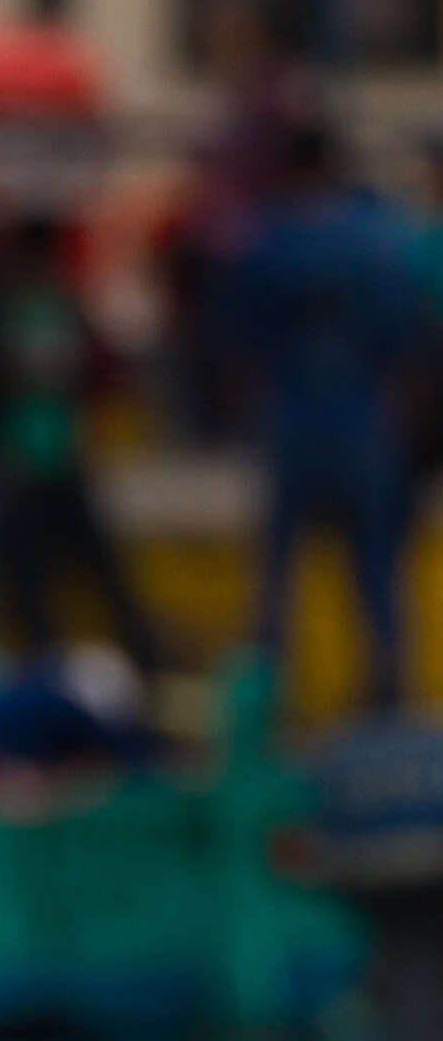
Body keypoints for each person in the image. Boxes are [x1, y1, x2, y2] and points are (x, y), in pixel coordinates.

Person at [229, 123, 420, 709]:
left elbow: (236, 336)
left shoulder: (270, 240)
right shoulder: (376, 239)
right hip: (362, 421)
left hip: (295, 421)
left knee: (278, 571)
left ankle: (266, 701)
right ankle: (386, 691)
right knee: (374, 567)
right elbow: (409, 337)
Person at [0, 213, 158, 675]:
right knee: (99, 575)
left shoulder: (2, 310)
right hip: (58, 457)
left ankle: (48, 670)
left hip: (23, 462)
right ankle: (141, 658)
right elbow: (103, 375)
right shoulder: (63, 305)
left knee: (31, 583)